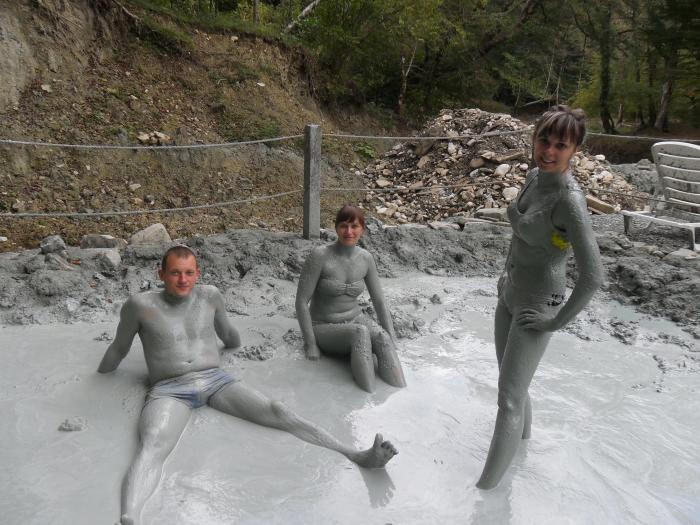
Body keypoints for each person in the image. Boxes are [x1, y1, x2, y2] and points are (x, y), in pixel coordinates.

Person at [98, 245, 398, 525]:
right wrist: (99, 378)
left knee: (278, 410)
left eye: (189, 273)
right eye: (175, 273)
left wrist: (232, 345)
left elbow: (230, 335)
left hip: (215, 380)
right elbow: (118, 349)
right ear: (161, 273)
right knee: (152, 442)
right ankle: (129, 516)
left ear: (198, 273)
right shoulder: (140, 305)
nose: (182, 280)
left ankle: (357, 455)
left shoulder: (210, 296)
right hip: (169, 388)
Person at [476, 106, 604, 490]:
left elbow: (593, 276)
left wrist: (555, 322)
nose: (548, 151)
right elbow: (520, 235)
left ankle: (484, 496)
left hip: (539, 304)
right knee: (513, 385)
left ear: (575, 150)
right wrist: (505, 274)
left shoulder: (570, 201)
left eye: (560, 145)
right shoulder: (534, 177)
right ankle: (522, 452)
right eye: (543, 140)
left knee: (508, 400)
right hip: (511, 291)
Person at [295, 205, 407, 393]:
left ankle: (402, 395)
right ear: (336, 228)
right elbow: (301, 302)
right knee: (360, 333)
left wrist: (391, 335)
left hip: (355, 318)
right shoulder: (320, 256)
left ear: (362, 229)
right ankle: (368, 396)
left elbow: (379, 301)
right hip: (323, 326)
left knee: (383, 338)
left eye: (354, 226)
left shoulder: (366, 258)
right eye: (343, 226)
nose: (349, 232)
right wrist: (310, 344)